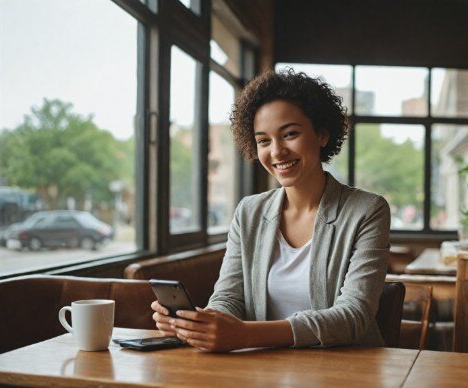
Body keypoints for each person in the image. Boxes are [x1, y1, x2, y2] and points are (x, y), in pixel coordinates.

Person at [151, 70, 391, 352]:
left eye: (290, 134)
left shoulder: (367, 210)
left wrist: (246, 335)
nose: (277, 151)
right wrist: (200, 323)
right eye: (263, 140)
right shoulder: (249, 212)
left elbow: (353, 316)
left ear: (322, 134)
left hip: (343, 371)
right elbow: (228, 298)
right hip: (262, 370)